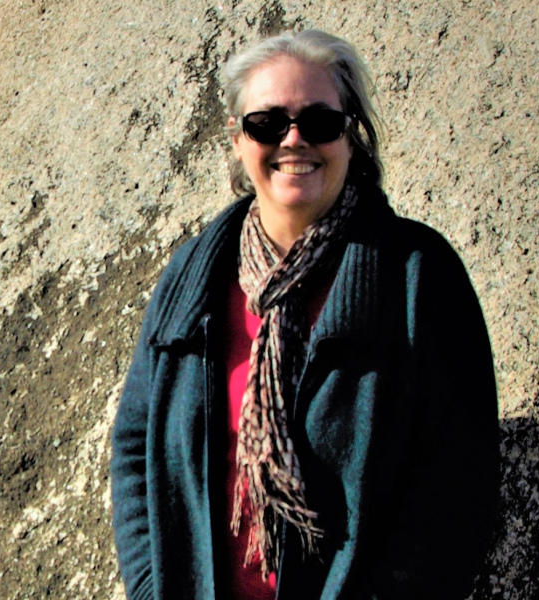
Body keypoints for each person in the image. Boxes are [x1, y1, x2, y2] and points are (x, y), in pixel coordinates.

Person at [110, 29, 499, 600]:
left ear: (350, 135)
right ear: (238, 140)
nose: (294, 141)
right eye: (267, 123)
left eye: (319, 122)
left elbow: (457, 485)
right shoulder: (194, 275)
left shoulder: (417, 274)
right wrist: (151, 586)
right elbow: (136, 446)